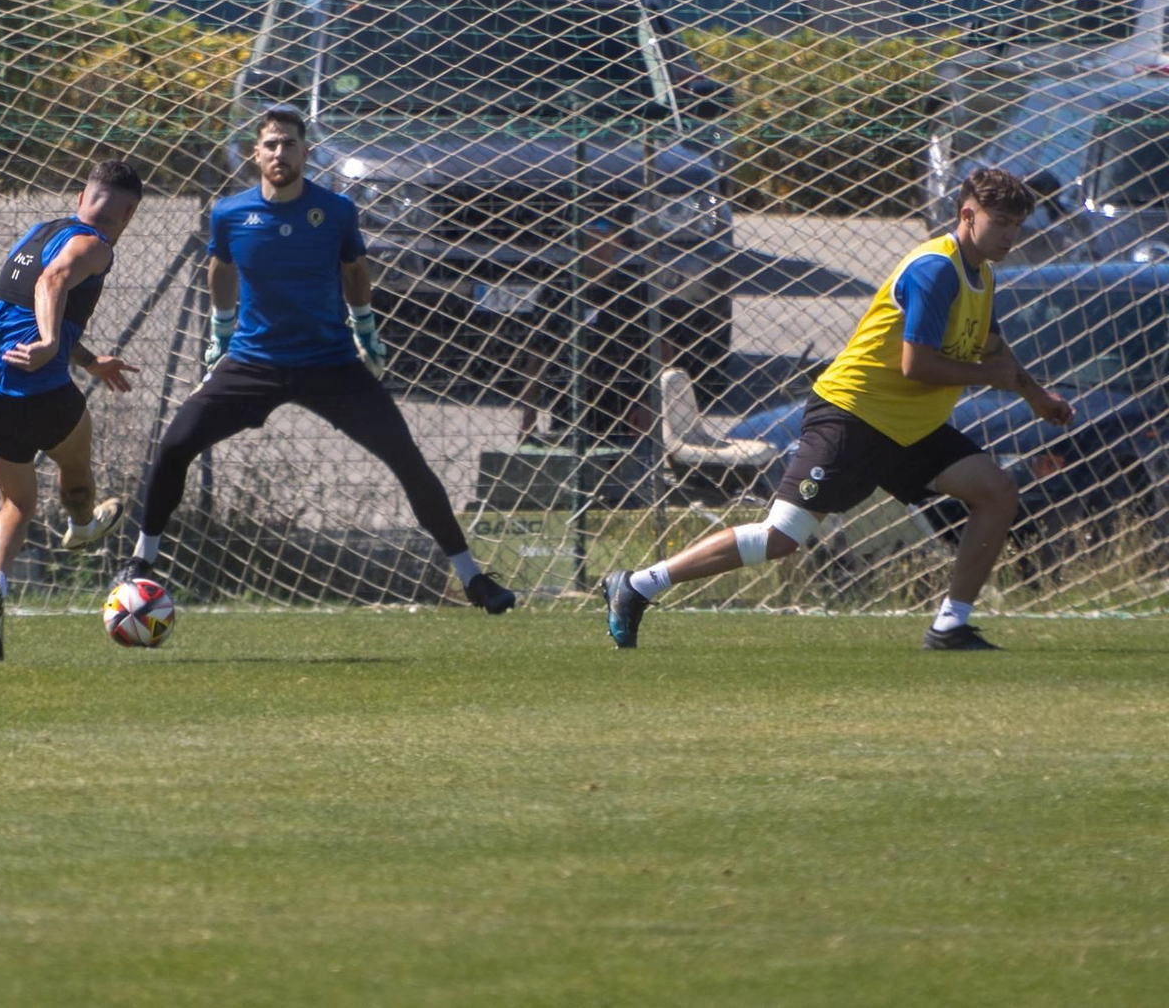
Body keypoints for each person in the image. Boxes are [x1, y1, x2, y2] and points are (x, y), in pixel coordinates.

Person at [602, 167, 1074, 651]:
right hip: (853, 417)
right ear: (967, 214)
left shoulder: (982, 275)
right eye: (1001, 224)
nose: (1010, 237)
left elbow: (993, 348)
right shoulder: (934, 269)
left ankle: (951, 625)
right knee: (781, 537)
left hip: (910, 429)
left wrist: (1034, 395)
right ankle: (639, 584)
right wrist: (991, 379)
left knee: (996, 491)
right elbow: (917, 366)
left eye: (1017, 226)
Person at [124, 104, 517, 614]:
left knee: (407, 460)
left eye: (289, 143)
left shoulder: (335, 211)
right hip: (252, 363)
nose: (279, 152)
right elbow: (220, 268)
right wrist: (220, 336)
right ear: (255, 153)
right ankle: (141, 562)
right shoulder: (229, 213)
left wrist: (366, 332)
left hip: (331, 364)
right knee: (176, 444)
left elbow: (354, 270)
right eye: (270, 144)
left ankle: (472, 578)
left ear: (306, 152)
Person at [0, 160, 146, 661]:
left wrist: (87, 360)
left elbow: (34, 301)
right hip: (37, 391)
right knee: (75, 464)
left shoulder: (40, 231)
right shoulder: (95, 247)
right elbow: (52, 284)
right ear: (128, 214)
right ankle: (83, 526)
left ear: (83, 196)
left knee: (16, 502)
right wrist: (46, 343)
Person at [512, 217, 662, 447]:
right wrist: (528, 417)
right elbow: (537, 357)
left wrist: (649, 404)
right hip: (568, 417)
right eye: (590, 240)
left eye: (604, 240)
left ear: (617, 243)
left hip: (628, 421)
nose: (597, 248)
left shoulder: (634, 294)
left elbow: (663, 352)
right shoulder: (558, 293)